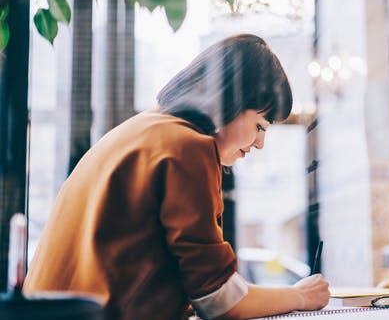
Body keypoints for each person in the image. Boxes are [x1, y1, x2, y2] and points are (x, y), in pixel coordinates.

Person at [23, 34, 330, 320]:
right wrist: (300, 296)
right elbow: (218, 299)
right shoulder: (188, 148)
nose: (260, 143)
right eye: (260, 126)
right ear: (230, 100)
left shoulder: (144, 129)